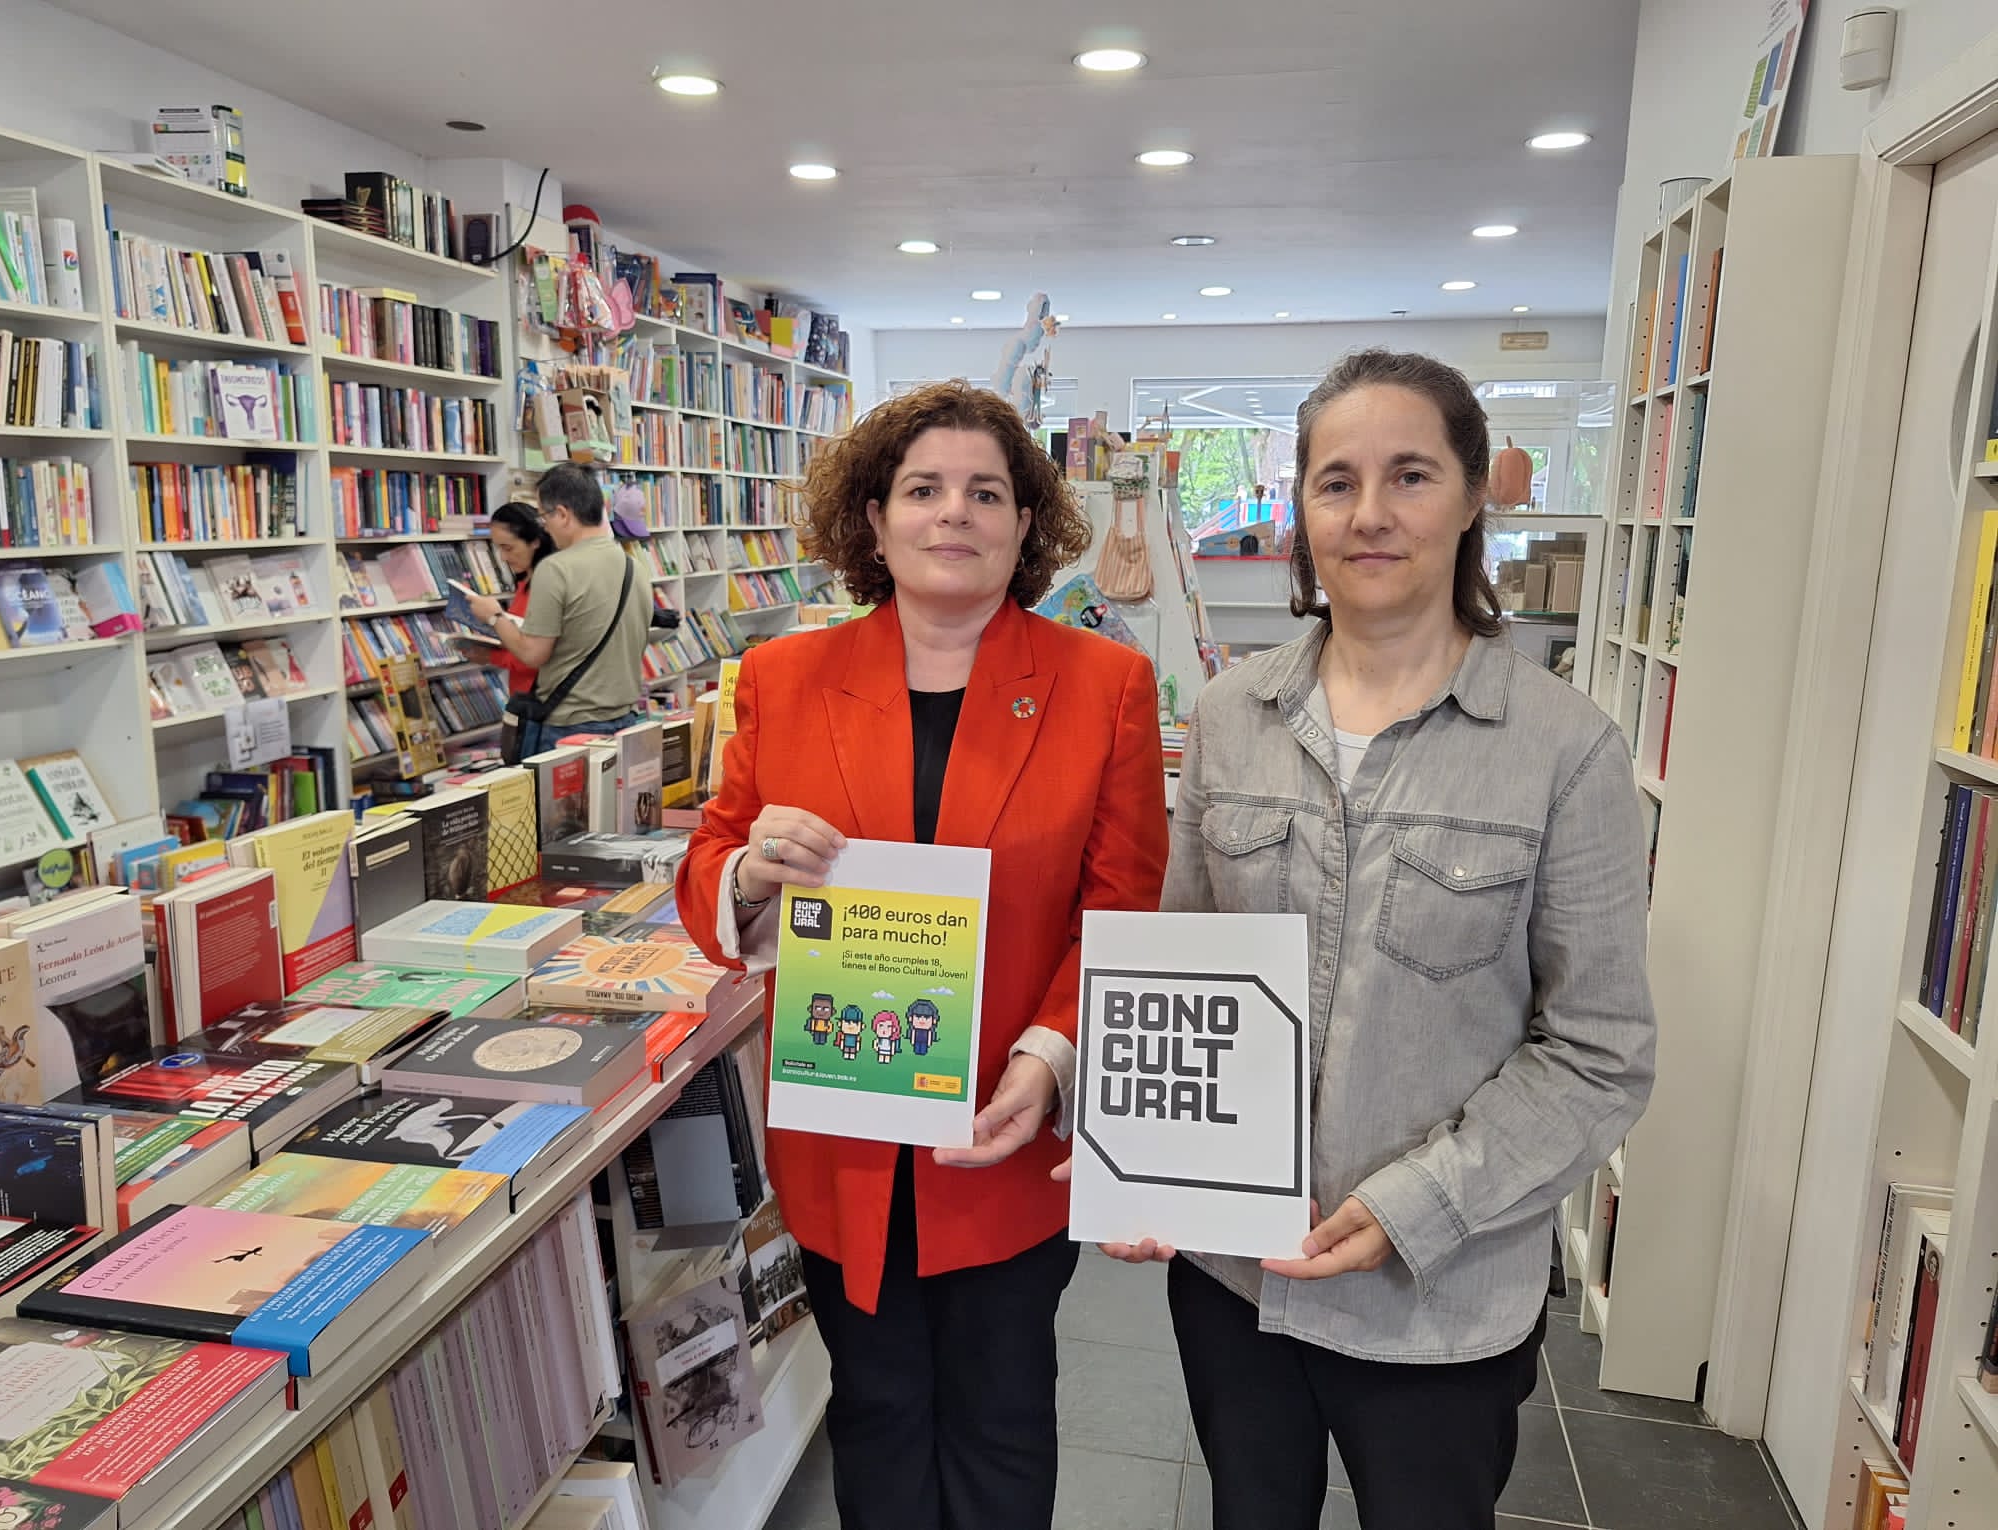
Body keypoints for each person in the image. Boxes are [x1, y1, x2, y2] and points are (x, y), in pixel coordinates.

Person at [1089, 349, 1657, 1530]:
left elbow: (1599, 1052)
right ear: (1300, 512)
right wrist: (1149, 1155)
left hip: (1437, 1295)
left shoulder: (1567, 752)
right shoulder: (1228, 721)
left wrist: (1417, 1205)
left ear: (1468, 499)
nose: (1372, 513)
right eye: (1336, 482)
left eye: (1410, 475)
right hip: (1235, 1284)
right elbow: (1186, 967)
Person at [675, 379, 1168, 1530]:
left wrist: (1050, 1058)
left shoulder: (1104, 685)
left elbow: (1122, 907)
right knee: (878, 1409)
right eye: (924, 489)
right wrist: (748, 873)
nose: (955, 513)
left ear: (1026, 523)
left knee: (1002, 1416)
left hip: (1005, 1128)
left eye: (986, 492)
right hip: (843, 1131)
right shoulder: (785, 679)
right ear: (875, 520)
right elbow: (708, 870)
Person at [462, 463, 650, 758]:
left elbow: (533, 654)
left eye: (544, 515)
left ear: (562, 514)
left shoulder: (556, 569)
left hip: (571, 727)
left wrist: (494, 616)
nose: (544, 525)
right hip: (626, 720)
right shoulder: (634, 567)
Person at [477, 500, 556, 697]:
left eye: (508, 548)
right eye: (498, 548)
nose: (502, 558)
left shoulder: (547, 586)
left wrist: (490, 654)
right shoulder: (524, 581)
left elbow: (536, 658)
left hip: (539, 699)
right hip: (523, 696)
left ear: (535, 541)